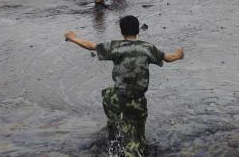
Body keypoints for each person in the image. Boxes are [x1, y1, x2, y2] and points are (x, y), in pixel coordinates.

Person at [64, 15, 184, 156]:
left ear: (121, 31)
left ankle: (114, 128)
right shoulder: (148, 48)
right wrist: (178, 55)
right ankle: (134, 148)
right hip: (138, 101)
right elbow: (169, 58)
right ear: (138, 30)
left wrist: (73, 38)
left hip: (118, 98)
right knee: (138, 136)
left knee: (108, 94)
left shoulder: (115, 47)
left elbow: (91, 46)